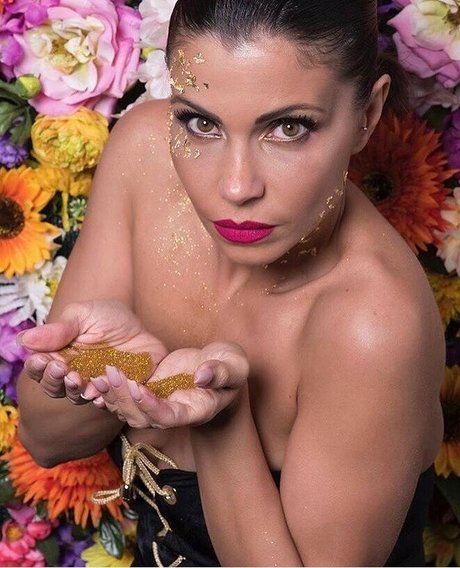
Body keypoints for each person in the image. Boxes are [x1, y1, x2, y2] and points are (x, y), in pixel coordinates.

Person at [16, 0, 445, 565]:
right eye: (202, 123)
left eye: (289, 128)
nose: (237, 187)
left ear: (367, 114)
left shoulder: (373, 322)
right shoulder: (147, 154)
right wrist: (117, 371)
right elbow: (44, 441)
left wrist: (220, 418)